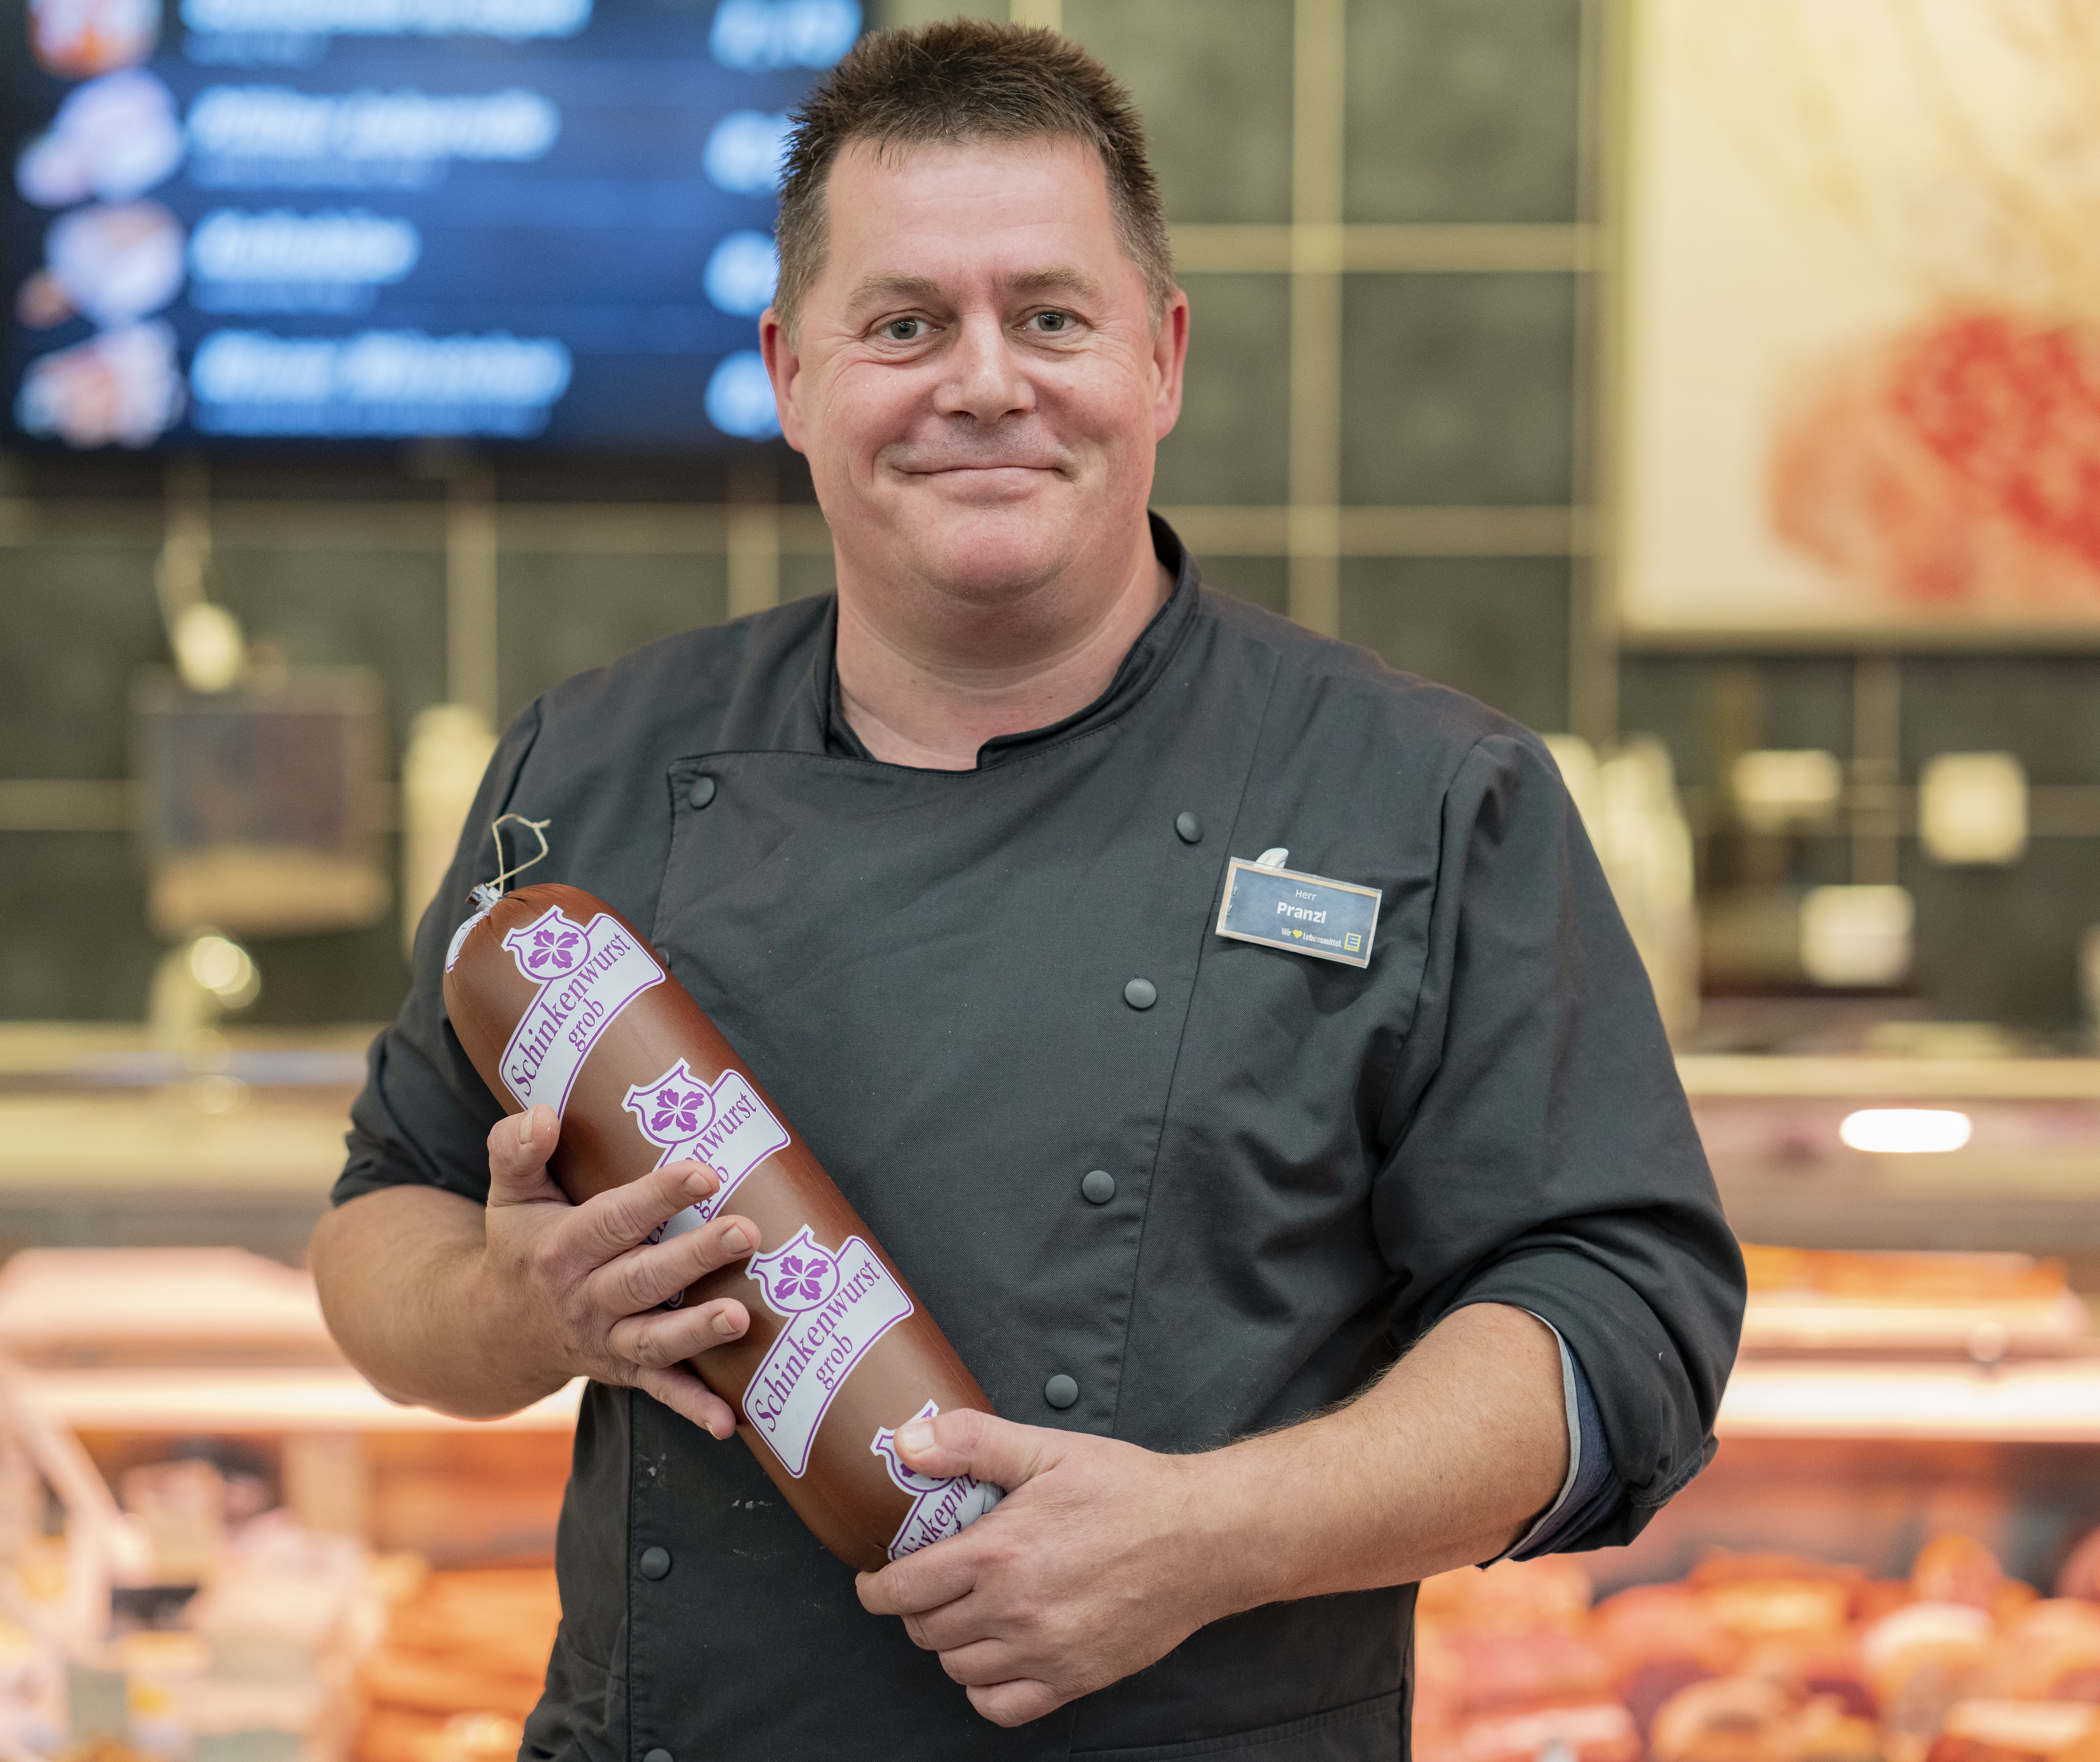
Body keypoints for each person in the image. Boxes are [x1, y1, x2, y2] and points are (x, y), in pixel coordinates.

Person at [311, 21, 1744, 1760]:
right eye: (902, 324)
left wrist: (1215, 1530)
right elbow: (382, 1218)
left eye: (1047, 317)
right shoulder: (591, 765)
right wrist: (512, 1307)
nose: (980, 380)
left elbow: (1619, 1313)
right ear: (787, 371)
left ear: (1161, 357)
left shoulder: (1425, 798)